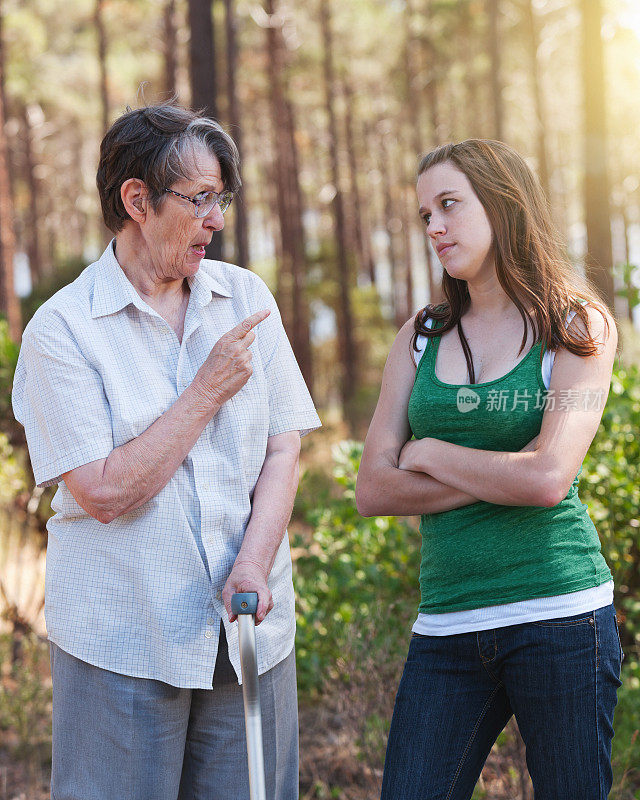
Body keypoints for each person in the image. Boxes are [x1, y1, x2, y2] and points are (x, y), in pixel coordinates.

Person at [12, 103, 321, 800]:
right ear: (137, 200)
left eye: (222, 200)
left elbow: (283, 445)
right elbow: (102, 491)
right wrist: (205, 389)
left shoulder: (244, 298)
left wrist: (254, 561)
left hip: (248, 635)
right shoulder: (62, 331)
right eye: (201, 199)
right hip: (123, 639)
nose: (217, 219)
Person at [356, 139, 622, 800]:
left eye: (449, 204)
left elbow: (547, 480)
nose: (434, 227)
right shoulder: (422, 335)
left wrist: (428, 453)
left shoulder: (576, 326)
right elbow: (372, 489)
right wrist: (501, 470)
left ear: (503, 206)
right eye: (425, 215)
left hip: (561, 617)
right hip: (447, 626)